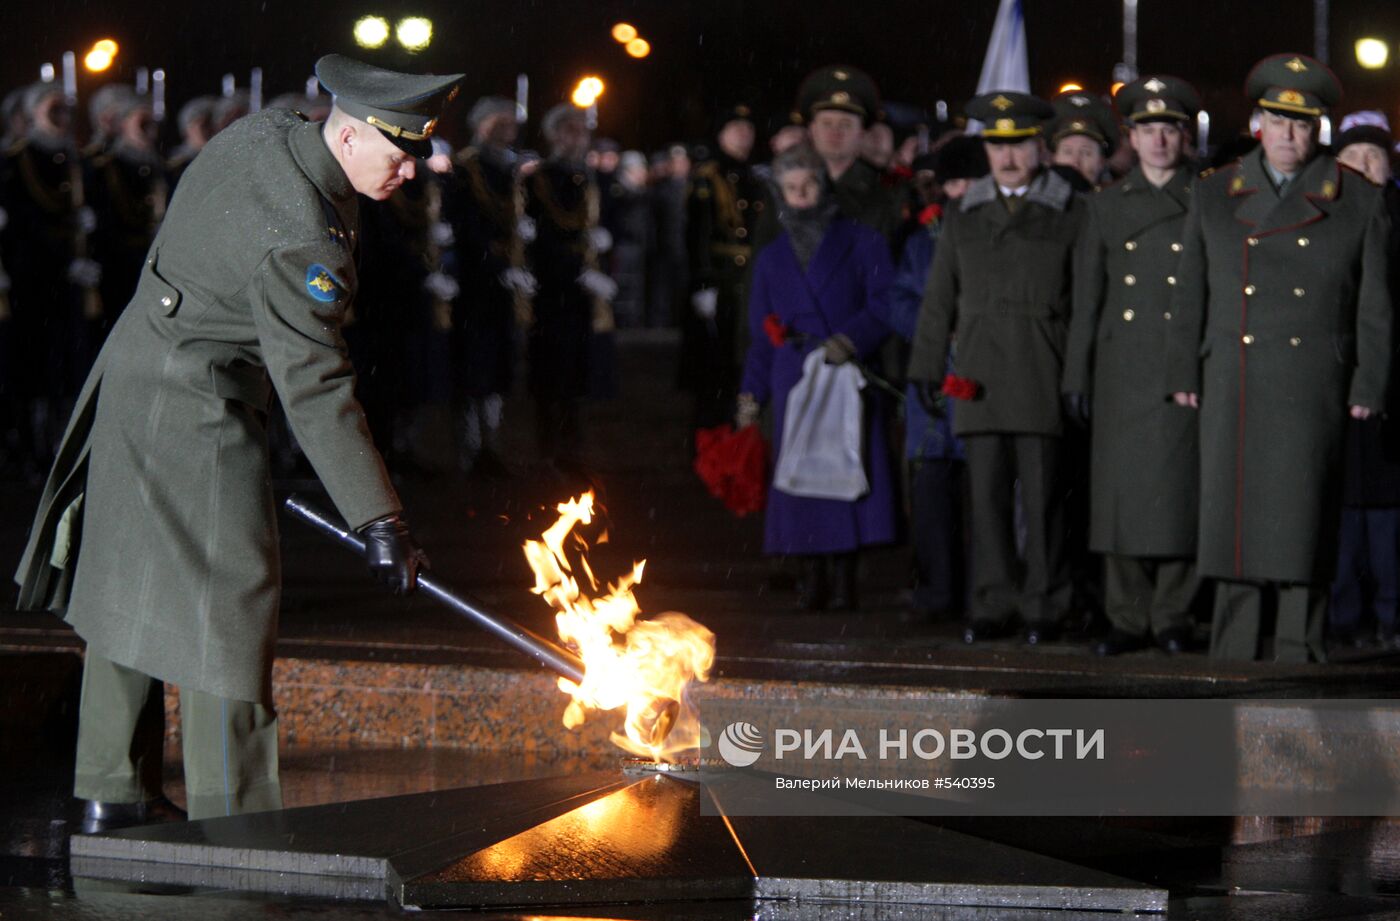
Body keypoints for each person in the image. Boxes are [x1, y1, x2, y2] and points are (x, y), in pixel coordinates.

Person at [13, 54, 459, 829]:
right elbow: (316, 388)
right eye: (400, 152)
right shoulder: (301, 241)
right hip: (197, 408)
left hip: (135, 374)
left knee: (131, 584)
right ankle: (237, 819)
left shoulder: (267, 134)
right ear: (349, 136)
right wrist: (378, 518)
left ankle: (108, 789)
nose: (411, 170)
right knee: (233, 603)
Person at [1165, 53, 1392, 663]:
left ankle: (1299, 649)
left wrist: (1369, 383)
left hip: (1312, 377)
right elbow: (1191, 290)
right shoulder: (1215, 193)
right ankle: (1233, 650)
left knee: (1303, 517)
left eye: (1304, 123)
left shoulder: (1357, 200)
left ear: (1319, 127)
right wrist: (1183, 369)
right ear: (1258, 121)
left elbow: (1373, 307)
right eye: (1278, 121)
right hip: (1233, 375)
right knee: (1232, 516)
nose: (1291, 136)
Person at [907, 91, 1085, 645]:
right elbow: (940, 299)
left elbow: (1084, 305)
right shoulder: (963, 214)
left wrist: (1076, 377)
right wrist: (926, 368)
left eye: (1019, 146)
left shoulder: (1071, 211)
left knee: (1043, 500)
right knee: (984, 501)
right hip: (980, 371)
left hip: (1041, 363)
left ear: (1040, 147)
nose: (1008, 158)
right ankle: (991, 602)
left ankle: (1045, 604)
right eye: (997, 145)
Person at [1062, 75, 1205, 656]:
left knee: (1179, 493)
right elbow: (1086, 301)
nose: (1159, 141)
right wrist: (1077, 375)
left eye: (1169, 129)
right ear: (1132, 138)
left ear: (1184, 137)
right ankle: (1126, 614)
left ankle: (1172, 613)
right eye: (1148, 130)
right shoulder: (1105, 207)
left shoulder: (1209, 197)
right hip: (1121, 368)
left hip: (1183, 363)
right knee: (1119, 497)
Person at [736, 144, 896, 611]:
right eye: (791, 187)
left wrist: (853, 338)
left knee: (844, 469)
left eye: (808, 184)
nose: (801, 195)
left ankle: (845, 575)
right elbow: (760, 333)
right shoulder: (770, 258)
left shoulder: (863, 240)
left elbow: (886, 301)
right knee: (801, 477)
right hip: (794, 381)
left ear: (822, 185)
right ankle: (809, 574)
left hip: (844, 372)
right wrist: (752, 392)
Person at [887, 136, 987, 621]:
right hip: (932, 386)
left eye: (971, 180)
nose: (962, 190)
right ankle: (936, 591)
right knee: (930, 498)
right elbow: (901, 299)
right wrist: (935, 327)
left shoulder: (995, 231)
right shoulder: (921, 240)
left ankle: (981, 594)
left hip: (983, 384)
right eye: (954, 182)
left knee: (983, 499)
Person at [1327, 111, 1400, 649]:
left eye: (1375, 155)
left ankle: (1390, 613)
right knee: (1343, 507)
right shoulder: (1326, 217)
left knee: (1387, 512)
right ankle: (1345, 613)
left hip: (1390, 390)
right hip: (1338, 382)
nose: (1366, 165)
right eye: (1354, 156)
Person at [442, 95, 533, 477]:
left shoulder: (511, 169)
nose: (507, 130)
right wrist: (494, 262)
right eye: (500, 123)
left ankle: (492, 445)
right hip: (473, 283)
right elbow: (465, 227)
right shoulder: (466, 169)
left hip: (502, 286)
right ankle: (471, 449)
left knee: (498, 368)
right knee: (472, 368)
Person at [525, 103, 616, 470]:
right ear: (554, 135)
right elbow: (542, 239)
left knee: (579, 372)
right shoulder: (539, 179)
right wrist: (577, 268)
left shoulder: (591, 178)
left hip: (582, 294)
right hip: (552, 289)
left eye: (581, 131)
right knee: (552, 372)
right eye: (569, 131)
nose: (577, 139)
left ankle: (573, 445)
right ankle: (551, 447)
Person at [680, 104, 765, 433]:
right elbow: (698, 234)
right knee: (712, 365)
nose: (744, 137)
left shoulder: (753, 177)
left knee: (738, 360)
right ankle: (707, 437)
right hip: (719, 277)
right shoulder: (708, 178)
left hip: (744, 278)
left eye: (748, 130)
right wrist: (704, 282)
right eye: (736, 130)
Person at [1048, 90, 1119, 190]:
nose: (1076, 163)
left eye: (1086, 153)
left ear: (1101, 162)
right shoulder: (1032, 204)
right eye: (1067, 152)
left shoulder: (1117, 204)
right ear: (1054, 159)